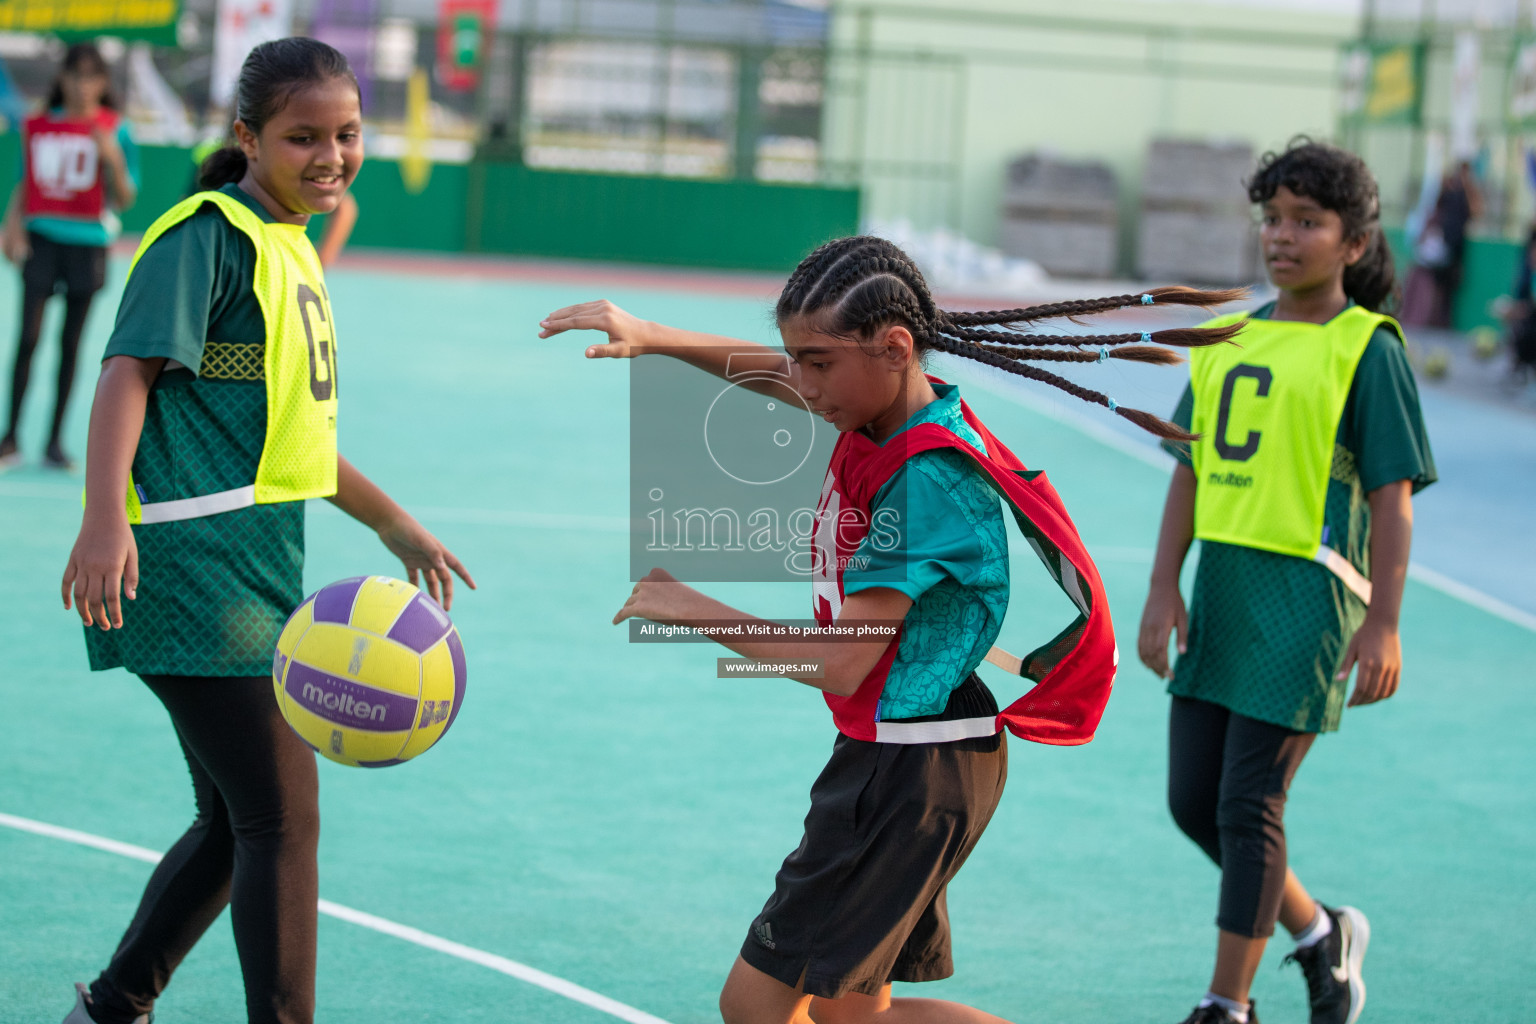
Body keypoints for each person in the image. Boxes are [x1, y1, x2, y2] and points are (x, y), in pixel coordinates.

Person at [540, 236, 1240, 1024]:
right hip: (924, 756)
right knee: (852, 1016)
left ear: (895, 347)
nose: (801, 382)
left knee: (756, 1006)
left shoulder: (925, 484)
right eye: (796, 359)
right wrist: (655, 336)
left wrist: (690, 609)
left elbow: (843, 663)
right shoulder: (896, 410)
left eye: (818, 363)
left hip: (907, 776)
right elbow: (775, 374)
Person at [57, 38, 473, 1024]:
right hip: (185, 563)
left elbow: (295, 434)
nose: (330, 154)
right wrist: (103, 516)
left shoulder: (287, 243)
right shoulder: (204, 234)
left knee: (232, 816)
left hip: (249, 564)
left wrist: (390, 520)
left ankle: (112, 1007)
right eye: (303, 136)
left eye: (347, 133)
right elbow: (127, 372)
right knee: (280, 815)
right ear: (247, 136)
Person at [1137, 139, 1437, 1024]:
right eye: (1273, 217)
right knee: (1195, 803)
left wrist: (1383, 623)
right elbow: (1186, 470)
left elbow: (1393, 500)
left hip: (1308, 598)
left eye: (1308, 220)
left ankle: (1225, 1005)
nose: (1282, 235)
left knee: (1247, 801)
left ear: (1352, 243)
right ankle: (1321, 935)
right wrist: (1164, 587)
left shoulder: (1367, 348)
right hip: (1223, 591)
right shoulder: (1231, 334)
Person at [0, 42, 137, 471]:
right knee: (27, 338)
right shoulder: (38, 125)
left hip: (87, 243)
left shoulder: (116, 130)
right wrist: (12, 224)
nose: (82, 85)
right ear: (63, 79)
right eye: (74, 76)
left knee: (71, 345)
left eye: (91, 76)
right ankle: (10, 438)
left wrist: (112, 157)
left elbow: (127, 197)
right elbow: (28, 181)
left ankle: (55, 442)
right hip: (42, 239)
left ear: (102, 83)